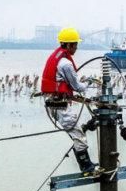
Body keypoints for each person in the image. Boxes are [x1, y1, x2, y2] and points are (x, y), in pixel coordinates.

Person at [41, 27, 98, 174]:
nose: (76, 48)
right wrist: (89, 83)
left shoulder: (57, 59)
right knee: (79, 136)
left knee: (77, 132)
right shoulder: (65, 63)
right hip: (60, 106)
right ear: (67, 45)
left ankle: (87, 164)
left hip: (54, 104)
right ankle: (86, 168)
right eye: (74, 44)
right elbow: (78, 87)